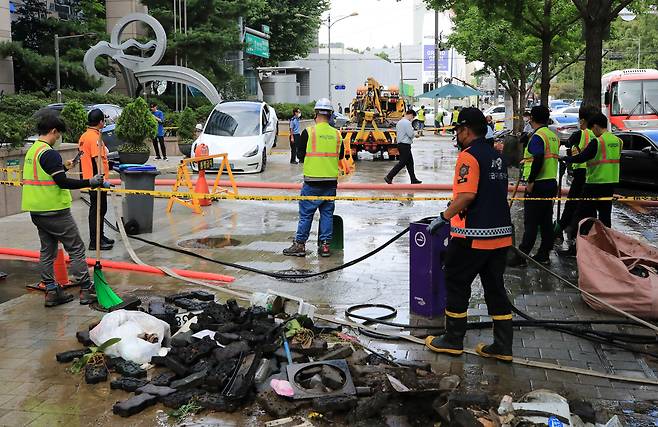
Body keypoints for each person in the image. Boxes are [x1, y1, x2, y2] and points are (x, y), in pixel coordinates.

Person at [424, 107, 514, 361]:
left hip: (472, 237)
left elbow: (466, 195)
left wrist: (443, 217)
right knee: (495, 288)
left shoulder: (469, 156)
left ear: (465, 130)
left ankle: (452, 340)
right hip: (501, 235)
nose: (457, 135)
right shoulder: (496, 155)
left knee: (456, 282)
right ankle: (502, 346)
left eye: (458, 130)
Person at [22, 113, 106, 307]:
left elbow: (47, 174)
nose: (58, 138)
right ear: (53, 131)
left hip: (37, 210)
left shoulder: (33, 151)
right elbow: (61, 182)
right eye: (58, 134)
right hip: (55, 210)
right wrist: (90, 182)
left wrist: (64, 167)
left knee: (47, 251)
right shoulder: (49, 153)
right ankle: (86, 289)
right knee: (76, 248)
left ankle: (51, 291)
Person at [283, 98, 344, 258]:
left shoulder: (308, 132)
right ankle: (325, 246)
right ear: (331, 115)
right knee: (326, 214)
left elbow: (300, 155)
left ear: (316, 114)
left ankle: (300, 245)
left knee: (306, 215)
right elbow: (341, 155)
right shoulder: (337, 134)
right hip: (330, 182)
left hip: (312, 181)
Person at [558, 112, 621, 256]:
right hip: (610, 184)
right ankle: (607, 249)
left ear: (597, 126)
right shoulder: (617, 141)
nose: (592, 132)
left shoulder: (598, 141)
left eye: (593, 129)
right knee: (605, 218)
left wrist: (566, 159)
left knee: (582, 216)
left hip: (594, 183)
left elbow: (582, 158)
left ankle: (576, 248)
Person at [508, 106, 559, 267]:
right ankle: (544, 254)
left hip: (538, 184)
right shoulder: (552, 135)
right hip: (550, 182)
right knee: (545, 221)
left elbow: (538, 158)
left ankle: (522, 256)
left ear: (532, 118)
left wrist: (531, 181)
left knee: (531, 222)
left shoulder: (538, 137)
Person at [554, 105, 599, 247]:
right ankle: (587, 234)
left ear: (583, 120)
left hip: (581, 173)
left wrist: (566, 158)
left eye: (580, 120)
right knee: (589, 207)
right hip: (594, 176)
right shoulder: (599, 136)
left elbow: (569, 143)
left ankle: (564, 230)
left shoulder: (582, 134)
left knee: (573, 203)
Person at [79, 109, 113, 251]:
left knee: (98, 210)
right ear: (100, 122)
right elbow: (97, 158)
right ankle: (95, 241)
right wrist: (102, 179)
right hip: (96, 181)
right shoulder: (94, 138)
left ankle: (100, 236)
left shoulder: (84, 136)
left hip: (89, 179)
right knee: (98, 211)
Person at [384, 109, 422, 185]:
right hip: (405, 145)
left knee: (410, 162)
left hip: (401, 144)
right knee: (402, 162)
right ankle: (389, 176)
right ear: (411, 115)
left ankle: (413, 179)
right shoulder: (407, 123)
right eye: (413, 117)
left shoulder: (400, 122)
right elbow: (410, 134)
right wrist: (416, 134)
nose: (412, 119)